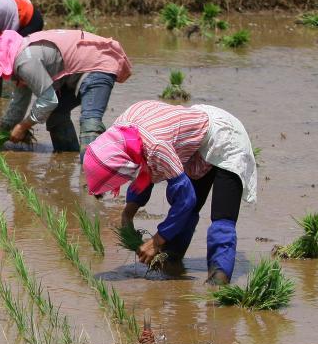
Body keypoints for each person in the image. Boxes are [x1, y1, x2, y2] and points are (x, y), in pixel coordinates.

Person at [83, 100, 258, 285]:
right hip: (196, 142)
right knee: (188, 213)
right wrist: (128, 214)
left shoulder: (156, 146)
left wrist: (156, 241)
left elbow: (185, 199)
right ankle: (171, 261)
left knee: (222, 219)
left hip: (226, 137)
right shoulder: (122, 135)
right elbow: (144, 172)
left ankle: (219, 281)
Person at [0, 29, 131, 152]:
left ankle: (93, 177)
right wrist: (2, 133)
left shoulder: (25, 61)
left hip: (97, 66)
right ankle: (69, 159)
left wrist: (23, 126)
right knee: (56, 116)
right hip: (76, 74)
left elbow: (48, 100)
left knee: (89, 122)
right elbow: (19, 102)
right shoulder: (19, 56)